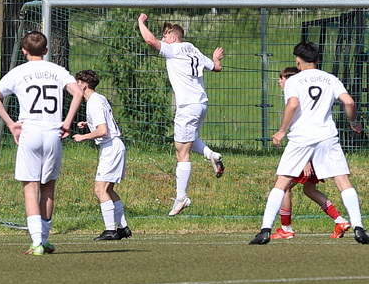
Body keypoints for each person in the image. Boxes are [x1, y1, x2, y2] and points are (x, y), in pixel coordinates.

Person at [253, 42, 367, 245]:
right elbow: (349, 102)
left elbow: (293, 104)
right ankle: (359, 228)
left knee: (282, 182)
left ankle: (265, 230)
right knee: (343, 181)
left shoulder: (294, 81)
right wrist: (353, 122)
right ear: (317, 59)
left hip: (301, 138)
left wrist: (281, 131)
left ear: (297, 60)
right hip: (326, 136)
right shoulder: (330, 78)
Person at [0, 32, 83, 255]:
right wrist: (67, 122)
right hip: (52, 133)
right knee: (47, 187)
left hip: (29, 132)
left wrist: (11, 124)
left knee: (30, 188)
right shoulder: (57, 70)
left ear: (24, 51)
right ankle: (45, 239)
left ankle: (36, 242)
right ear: (46, 50)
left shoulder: (18, 71)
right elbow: (78, 93)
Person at [137, 13, 225, 216]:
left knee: (181, 152)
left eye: (165, 36)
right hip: (201, 104)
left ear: (174, 38)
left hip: (187, 106)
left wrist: (141, 22)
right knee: (188, 141)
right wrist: (215, 58)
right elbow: (217, 67)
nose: (163, 39)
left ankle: (181, 197)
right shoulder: (193, 49)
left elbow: (149, 40)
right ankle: (211, 155)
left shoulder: (174, 50)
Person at [269, 67, 350, 240]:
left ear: (289, 79)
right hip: (317, 148)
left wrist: (305, 161)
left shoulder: (296, 99)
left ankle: (286, 228)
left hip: (308, 151)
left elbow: (306, 131)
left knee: (284, 188)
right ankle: (339, 220)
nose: (279, 82)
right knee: (309, 189)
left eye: (281, 78)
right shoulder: (299, 96)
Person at [72, 69, 132, 241]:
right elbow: (103, 122)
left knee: (100, 189)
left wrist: (83, 136)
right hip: (114, 146)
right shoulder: (99, 98)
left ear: (84, 85)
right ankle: (123, 228)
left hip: (110, 148)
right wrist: (88, 123)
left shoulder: (94, 103)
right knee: (109, 190)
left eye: (77, 83)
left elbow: (103, 130)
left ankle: (110, 230)